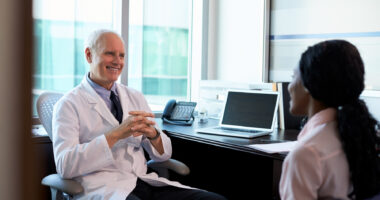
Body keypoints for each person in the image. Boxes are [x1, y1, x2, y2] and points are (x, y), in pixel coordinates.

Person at [52, 29, 226, 200]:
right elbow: (65, 166)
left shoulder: (134, 96)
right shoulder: (68, 105)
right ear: (89, 55)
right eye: (110, 54)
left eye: (122, 56)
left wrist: (154, 136)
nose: (117, 61)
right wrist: (116, 134)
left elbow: (163, 155)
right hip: (104, 189)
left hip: (143, 182)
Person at [279, 40, 380, 200]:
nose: (289, 86)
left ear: (307, 84)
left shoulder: (306, 154)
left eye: (293, 77)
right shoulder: (359, 136)